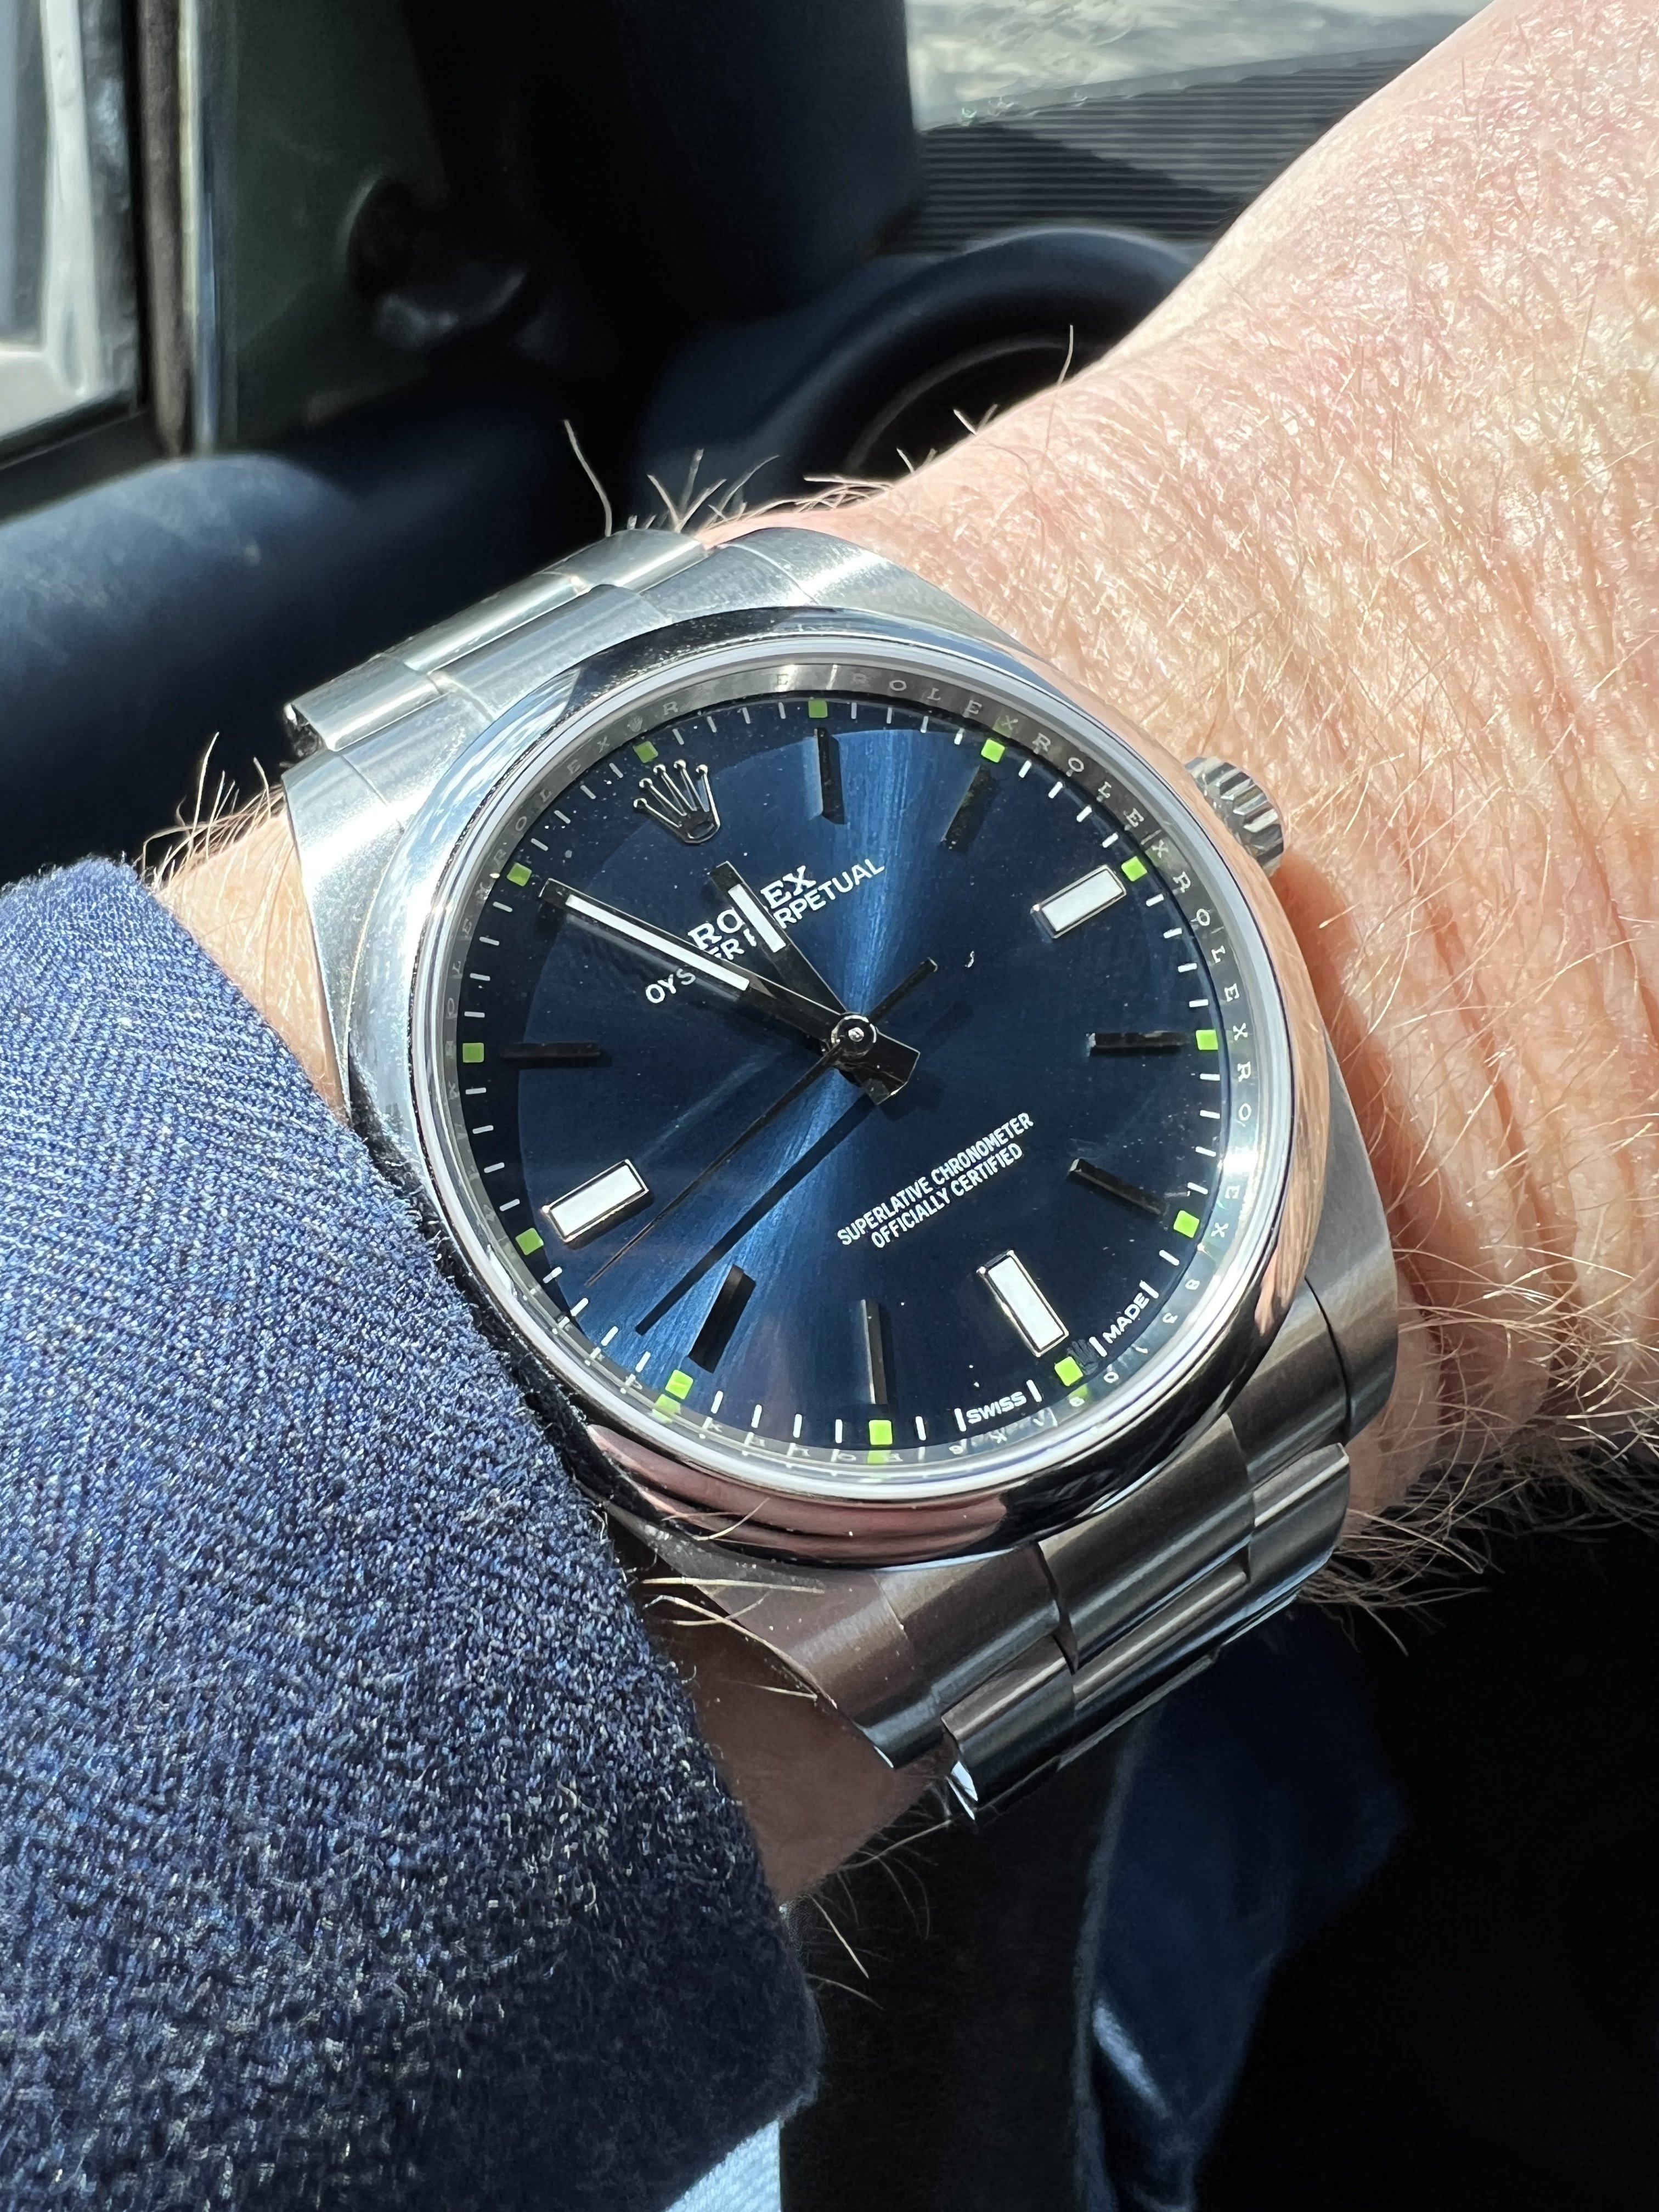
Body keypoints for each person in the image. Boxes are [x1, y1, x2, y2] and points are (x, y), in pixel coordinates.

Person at [0, 0, 1651, 2200]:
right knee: (1213, 1810)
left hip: (999, 1342)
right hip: (843, 1479)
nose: (866, 1045)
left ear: (1218, 822)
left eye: (865, 1030)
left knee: (1170, 1817)